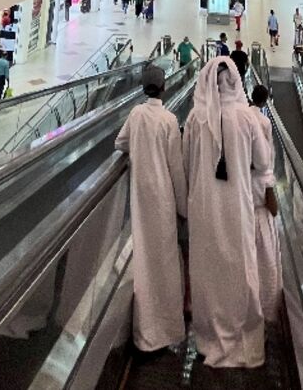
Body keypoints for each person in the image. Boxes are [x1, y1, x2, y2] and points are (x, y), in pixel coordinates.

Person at [184, 59, 271, 367]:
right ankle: (241, 332)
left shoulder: (196, 118)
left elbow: (186, 162)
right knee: (239, 265)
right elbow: (262, 162)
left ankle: (209, 334)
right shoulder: (247, 118)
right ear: (235, 82)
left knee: (209, 268)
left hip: (205, 208)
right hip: (239, 206)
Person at [115, 64, 187, 354]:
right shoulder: (169, 120)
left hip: (140, 198)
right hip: (164, 198)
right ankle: (168, 327)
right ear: (164, 87)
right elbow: (176, 169)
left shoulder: (136, 114)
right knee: (166, 260)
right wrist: (183, 207)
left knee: (143, 260)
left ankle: (144, 329)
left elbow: (120, 143)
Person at [248, 84, 282, 323]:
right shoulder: (264, 123)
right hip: (260, 217)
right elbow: (273, 206)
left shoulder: (242, 117)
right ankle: (265, 308)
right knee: (265, 263)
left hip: (244, 212)